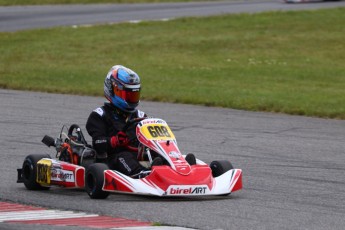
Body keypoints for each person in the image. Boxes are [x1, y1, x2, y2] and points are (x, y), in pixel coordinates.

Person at [86, 65, 149, 177]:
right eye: (127, 95)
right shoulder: (100, 115)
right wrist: (114, 141)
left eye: (133, 95)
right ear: (112, 89)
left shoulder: (141, 116)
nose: (131, 99)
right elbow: (97, 143)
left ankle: (182, 169)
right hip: (112, 160)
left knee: (156, 154)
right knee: (124, 156)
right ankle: (141, 175)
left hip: (138, 156)